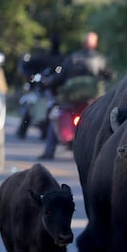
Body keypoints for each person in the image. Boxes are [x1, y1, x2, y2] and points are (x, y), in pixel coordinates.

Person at [38, 31, 113, 160]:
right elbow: (110, 75)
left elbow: (59, 78)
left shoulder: (72, 58)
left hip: (70, 100)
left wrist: (48, 83)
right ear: (95, 44)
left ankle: (49, 151)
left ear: (83, 43)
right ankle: (106, 154)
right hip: (93, 101)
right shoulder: (101, 59)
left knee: (55, 116)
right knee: (105, 122)